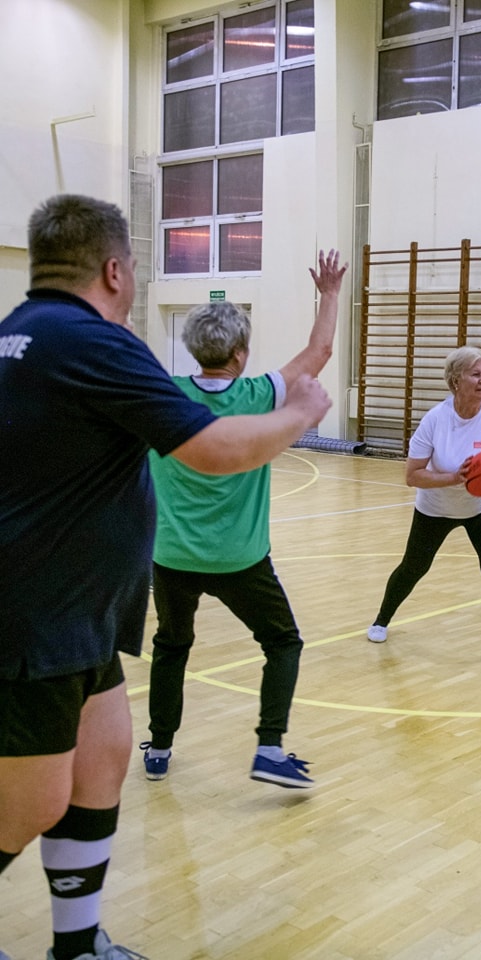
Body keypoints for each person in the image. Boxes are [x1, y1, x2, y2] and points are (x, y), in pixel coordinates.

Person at [0, 194, 331, 960]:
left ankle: (76, 947)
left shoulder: (19, 335)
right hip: (37, 620)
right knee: (32, 803)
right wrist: (302, 413)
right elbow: (214, 447)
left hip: (74, 616)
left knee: (103, 759)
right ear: (115, 269)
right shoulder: (93, 341)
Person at [141, 251, 347, 790]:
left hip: (171, 557)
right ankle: (269, 748)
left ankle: (159, 749)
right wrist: (328, 293)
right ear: (241, 352)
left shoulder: (164, 397)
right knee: (282, 644)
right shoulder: (257, 395)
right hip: (240, 559)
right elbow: (320, 351)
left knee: (171, 645)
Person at [366, 346, 481, 670]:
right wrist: (454, 478)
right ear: (456, 380)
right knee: (413, 567)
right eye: (476, 374)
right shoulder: (435, 420)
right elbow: (412, 475)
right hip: (437, 505)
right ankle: (381, 620)